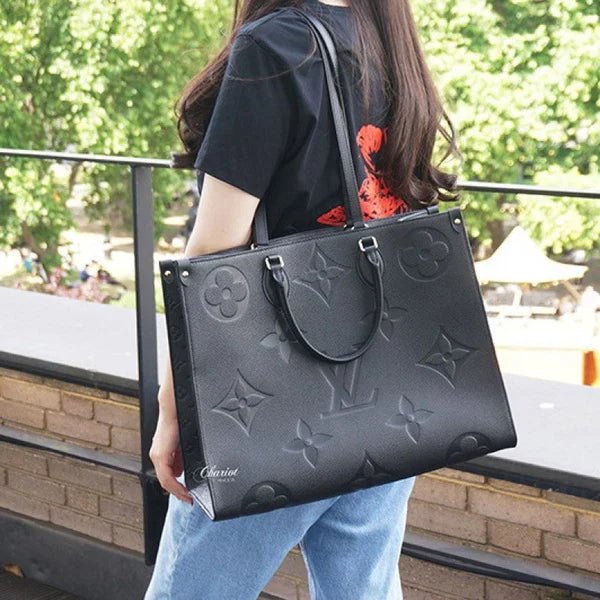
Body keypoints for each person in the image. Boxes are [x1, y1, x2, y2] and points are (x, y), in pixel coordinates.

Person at [145, 0, 460, 598]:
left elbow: (213, 257)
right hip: (391, 391)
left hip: (272, 404)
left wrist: (176, 402)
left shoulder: (275, 45)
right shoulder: (385, 38)